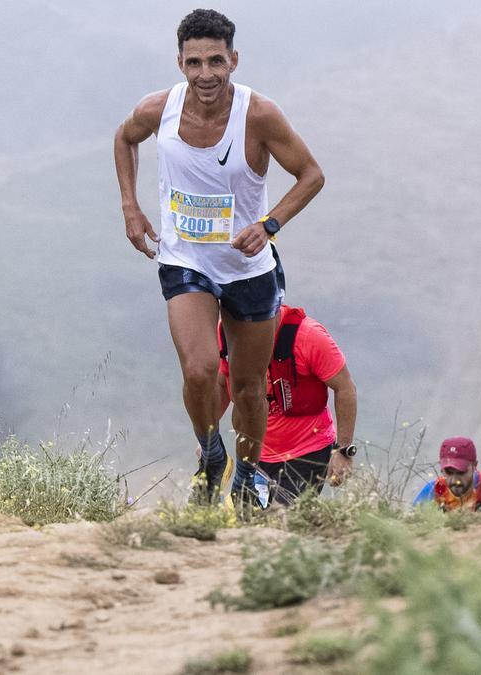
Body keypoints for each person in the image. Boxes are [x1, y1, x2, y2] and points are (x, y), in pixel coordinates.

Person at [113, 9, 325, 507]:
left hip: (249, 269)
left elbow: (312, 175)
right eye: (193, 63)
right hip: (185, 259)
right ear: (180, 63)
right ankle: (211, 453)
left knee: (250, 387)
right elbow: (124, 139)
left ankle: (248, 474)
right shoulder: (158, 109)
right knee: (199, 371)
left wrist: (269, 225)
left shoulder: (259, 115)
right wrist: (130, 206)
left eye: (215, 61)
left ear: (234, 59)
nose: (205, 74)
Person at [215, 304, 357, 507]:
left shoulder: (308, 336)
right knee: (245, 519)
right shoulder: (230, 332)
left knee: (280, 516)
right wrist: (208, 439)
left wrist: (343, 451)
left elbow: (345, 388)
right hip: (255, 453)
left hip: (307, 451)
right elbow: (223, 382)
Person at [412, 437, 481, 512]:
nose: (455, 480)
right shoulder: (434, 490)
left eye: (461, 472)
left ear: (474, 466)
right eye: (448, 472)